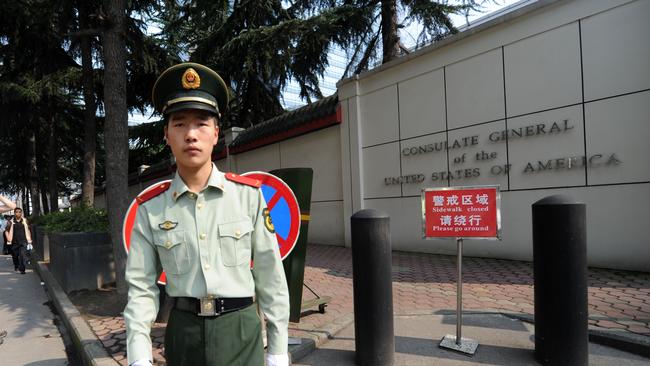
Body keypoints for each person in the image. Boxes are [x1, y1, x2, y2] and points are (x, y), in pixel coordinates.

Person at [124, 62, 290, 366]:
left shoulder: (248, 197)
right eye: (179, 124)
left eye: (201, 123)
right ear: (167, 135)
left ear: (216, 133)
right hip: (183, 334)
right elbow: (141, 290)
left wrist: (278, 350)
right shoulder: (150, 209)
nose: (191, 134)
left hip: (241, 331)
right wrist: (138, 355)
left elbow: (271, 277)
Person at [6, 207, 32, 274]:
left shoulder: (25, 221)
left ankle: (22, 269)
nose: (18, 213)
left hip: (23, 241)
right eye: (16, 212)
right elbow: (6, 231)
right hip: (14, 242)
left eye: (19, 212)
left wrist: (29, 239)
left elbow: (28, 230)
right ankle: (16, 265)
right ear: (14, 213)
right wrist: (8, 238)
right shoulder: (11, 222)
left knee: (22, 255)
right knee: (15, 255)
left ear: (21, 213)